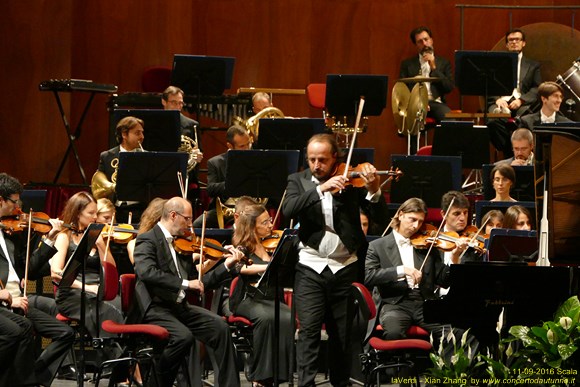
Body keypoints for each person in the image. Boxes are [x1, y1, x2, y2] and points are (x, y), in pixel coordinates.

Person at [282, 133, 388, 387]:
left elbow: (381, 218)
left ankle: (341, 383)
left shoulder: (351, 179)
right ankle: (305, 384)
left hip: (345, 266)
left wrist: (374, 189)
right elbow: (289, 209)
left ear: (335, 158)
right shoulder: (298, 181)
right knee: (308, 330)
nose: (316, 165)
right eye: (312, 159)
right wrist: (321, 189)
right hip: (310, 265)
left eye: (322, 160)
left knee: (342, 335)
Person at [131, 196, 244, 387]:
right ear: (173, 215)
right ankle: (156, 383)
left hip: (178, 307)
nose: (191, 224)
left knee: (220, 328)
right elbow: (146, 272)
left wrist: (225, 265)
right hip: (154, 308)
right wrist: (184, 283)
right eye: (188, 219)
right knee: (183, 337)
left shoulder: (181, 243)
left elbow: (199, 283)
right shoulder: (147, 239)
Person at [0, 172, 74, 386]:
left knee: (65, 333)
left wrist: (49, 240)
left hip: (18, 298)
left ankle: (35, 376)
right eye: (14, 202)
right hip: (7, 301)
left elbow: (30, 271)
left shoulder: (11, 234)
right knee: (21, 329)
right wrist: (7, 298)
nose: (18, 208)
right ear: (1, 200)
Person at [365, 198, 453, 340]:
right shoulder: (377, 246)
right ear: (400, 215)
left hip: (424, 304)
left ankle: (442, 363)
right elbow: (369, 276)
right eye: (412, 219)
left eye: (420, 221)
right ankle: (399, 363)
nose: (416, 226)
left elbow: (443, 280)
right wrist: (402, 270)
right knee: (394, 333)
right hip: (394, 304)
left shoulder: (426, 246)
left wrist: (455, 256)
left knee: (455, 334)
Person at [230, 204, 293, 387]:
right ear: (252, 227)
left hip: (269, 298)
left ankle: (278, 375)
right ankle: (259, 375)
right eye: (264, 222)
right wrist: (268, 267)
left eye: (269, 220)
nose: (270, 225)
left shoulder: (271, 245)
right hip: (248, 299)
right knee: (266, 318)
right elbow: (239, 268)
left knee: (288, 316)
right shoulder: (242, 246)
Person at [51, 191, 124, 341]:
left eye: (96, 213)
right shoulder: (64, 237)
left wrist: (102, 246)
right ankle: (110, 355)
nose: (95, 217)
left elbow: (112, 269)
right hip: (73, 294)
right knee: (107, 311)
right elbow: (56, 273)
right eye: (91, 213)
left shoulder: (96, 235)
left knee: (121, 304)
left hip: (98, 291)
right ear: (78, 213)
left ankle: (122, 353)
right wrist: (88, 287)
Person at [487, 28, 542, 158]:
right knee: (492, 122)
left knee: (523, 121)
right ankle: (509, 152)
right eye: (510, 40)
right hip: (501, 101)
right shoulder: (496, 64)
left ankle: (519, 153)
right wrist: (497, 99)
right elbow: (489, 85)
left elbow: (537, 88)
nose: (514, 42)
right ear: (506, 44)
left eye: (517, 39)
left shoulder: (533, 65)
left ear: (523, 43)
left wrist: (521, 100)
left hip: (521, 103)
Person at [193, 124, 253, 228]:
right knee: (197, 225)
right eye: (242, 146)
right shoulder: (215, 163)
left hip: (250, 208)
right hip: (223, 208)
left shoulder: (255, 160)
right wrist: (233, 183)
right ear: (229, 146)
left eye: (248, 144)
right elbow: (211, 189)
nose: (247, 149)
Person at [399, 26, 455, 122]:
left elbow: (449, 87)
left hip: (436, 103)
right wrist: (417, 103)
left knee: (449, 121)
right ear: (416, 45)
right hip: (415, 104)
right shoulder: (407, 64)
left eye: (426, 39)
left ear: (431, 40)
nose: (424, 44)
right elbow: (402, 89)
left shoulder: (444, 62)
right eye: (420, 41)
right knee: (410, 123)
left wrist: (434, 68)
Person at [96, 116, 145, 223]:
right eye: (137, 133)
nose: (142, 136)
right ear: (124, 134)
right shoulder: (106, 156)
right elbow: (99, 184)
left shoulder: (146, 157)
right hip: (115, 211)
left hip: (140, 211)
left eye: (142, 133)